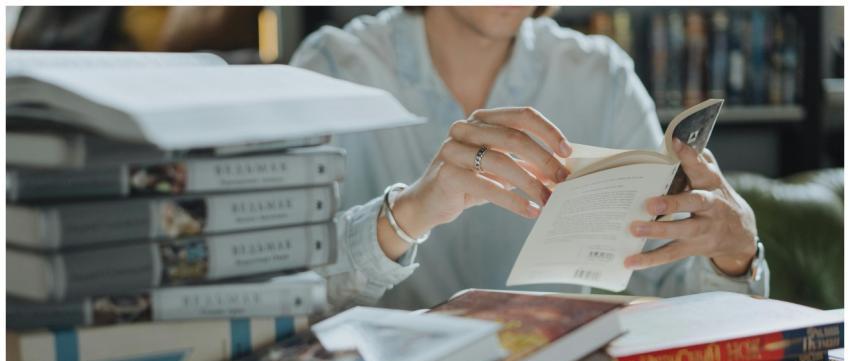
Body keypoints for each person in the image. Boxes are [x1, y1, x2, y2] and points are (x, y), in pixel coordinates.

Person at [291, 6, 768, 310]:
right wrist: (406, 214)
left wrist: (735, 258)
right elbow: (281, 293)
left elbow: (668, 290)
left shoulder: (604, 79)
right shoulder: (332, 69)